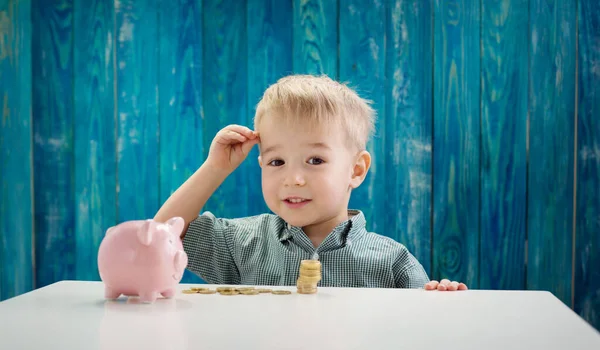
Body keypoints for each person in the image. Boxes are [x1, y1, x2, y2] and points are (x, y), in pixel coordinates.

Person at [154, 74, 467, 292]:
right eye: (277, 162)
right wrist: (216, 168)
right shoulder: (242, 242)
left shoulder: (392, 262)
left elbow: (425, 326)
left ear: (356, 170)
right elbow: (162, 234)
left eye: (315, 161)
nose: (294, 178)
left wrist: (439, 298)